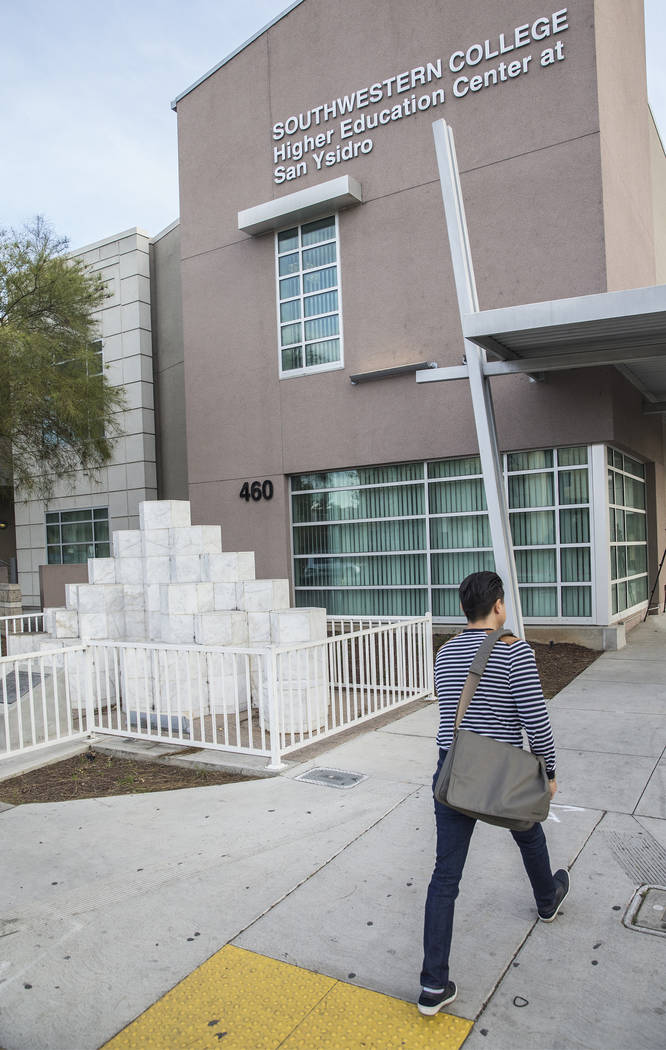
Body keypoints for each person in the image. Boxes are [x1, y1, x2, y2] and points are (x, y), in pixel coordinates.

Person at [418, 570, 570, 1017]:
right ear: (499, 605)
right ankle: (547, 899)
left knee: (444, 877)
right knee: (529, 831)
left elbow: (451, 717)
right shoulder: (513, 651)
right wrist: (551, 773)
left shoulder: (444, 654)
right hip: (502, 777)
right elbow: (536, 722)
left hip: (454, 774)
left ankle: (432, 987)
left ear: (466, 609)